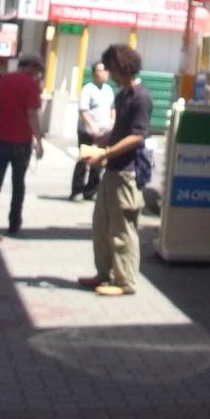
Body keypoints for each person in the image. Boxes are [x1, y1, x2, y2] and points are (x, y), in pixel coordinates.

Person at [78, 44, 151, 298]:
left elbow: (137, 137)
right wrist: (100, 143)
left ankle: (125, 281)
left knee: (123, 231)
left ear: (123, 68)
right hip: (112, 171)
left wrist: (106, 154)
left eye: (112, 69)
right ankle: (104, 272)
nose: (110, 74)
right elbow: (119, 129)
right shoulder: (122, 95)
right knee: (102, 226)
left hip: (127, 173)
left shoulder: (141, 97)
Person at [0, 54, 45, 242]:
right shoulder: (31, 85)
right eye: (38, 70)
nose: (38, 74)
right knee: (18, 184)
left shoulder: (1, 80)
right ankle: (14, 222)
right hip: (21, 142)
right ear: (32, 67)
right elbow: (32, 114)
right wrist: (39, 141)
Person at [71, 58, 116, 201]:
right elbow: (83, 110)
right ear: (95, 73)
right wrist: (92, 126)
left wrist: (112, 122)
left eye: (106, 70)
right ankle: (76, 190)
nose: (105, 73)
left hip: (103, 132)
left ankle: (91, 191)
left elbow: (112, 108)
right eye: (102, 70)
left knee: (98, 162)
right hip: (87, 131)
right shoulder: (88, 89)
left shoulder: (108, 90)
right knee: (84, 160)